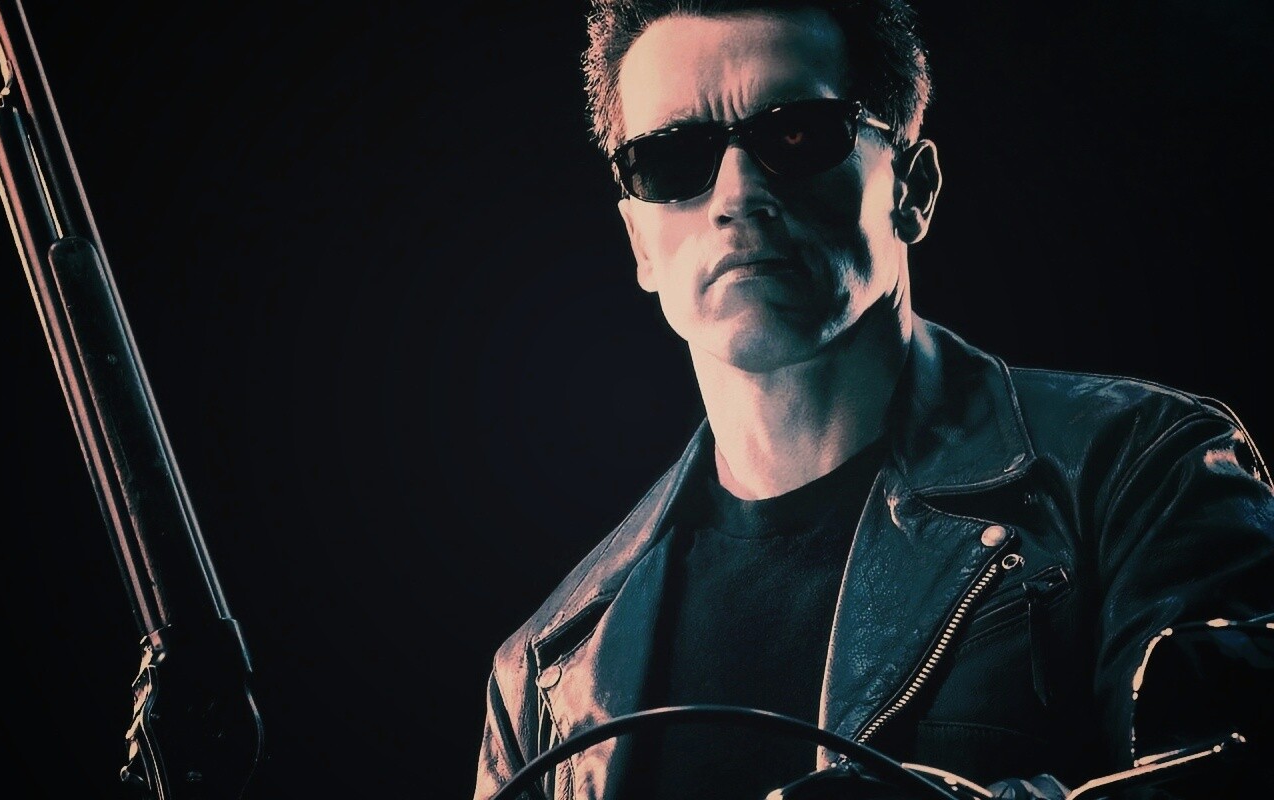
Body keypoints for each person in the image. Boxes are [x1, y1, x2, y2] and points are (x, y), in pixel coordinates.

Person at [472, 1, 1274, 798]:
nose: (737, 194)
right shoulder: (547, 673)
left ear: (913, 189)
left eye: (795, 134)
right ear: (639, 241)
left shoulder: (1138, 473)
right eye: (671, 158)